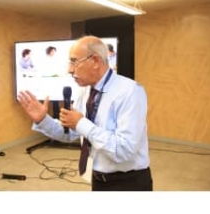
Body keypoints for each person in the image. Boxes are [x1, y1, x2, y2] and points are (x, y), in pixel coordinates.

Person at [17, 36, 152, 191]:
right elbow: (70, 134)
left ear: (95, 61)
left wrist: (81, 123)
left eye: (74, 62)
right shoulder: (85, 90)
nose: (69, 70)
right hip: (97, 178)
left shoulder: (130, 91)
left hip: (128, 182)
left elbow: (124, 150)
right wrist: (43, 120)